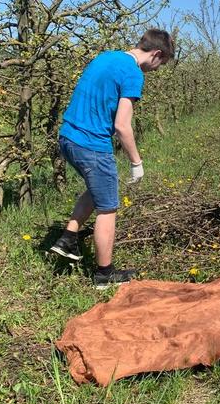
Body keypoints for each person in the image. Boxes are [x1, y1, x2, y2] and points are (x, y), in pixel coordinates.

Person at [49, 29, 175, 289]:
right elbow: (122, 126)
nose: (157, 70)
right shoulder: (133, 73)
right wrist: (136, 162)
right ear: (156, 54)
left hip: (68, 138)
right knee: (108, 207)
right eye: (160, 65)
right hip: (92, 144)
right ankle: (104, 275)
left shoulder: (107, 57)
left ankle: (68, 238)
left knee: (97, 190)